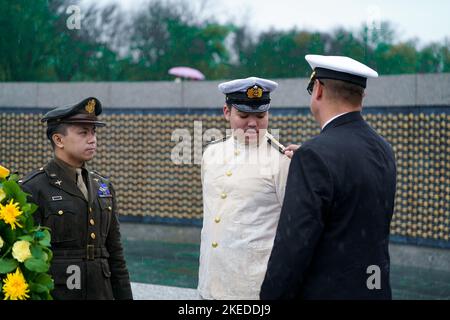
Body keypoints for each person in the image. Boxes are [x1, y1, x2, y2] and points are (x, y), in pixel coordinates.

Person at [260, 55, 397, 300]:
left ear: (319, 89)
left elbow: (293, 246)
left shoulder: (315, 156)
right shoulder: (383, 148)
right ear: (361, 97)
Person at [20, 97, 133, 300]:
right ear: (59, 140)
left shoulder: (103, 186)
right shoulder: (33, 187)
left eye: (93, 132)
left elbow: (116, 255)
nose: (92, 139)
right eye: (83, 133)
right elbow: (25, 259)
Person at [198, 77, 297, 299]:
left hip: (252, 289)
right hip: (210, 283)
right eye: (243, 116)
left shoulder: (281, 160)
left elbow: (293, 229)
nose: (253, 123)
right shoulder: (211, 153)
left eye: (260, 116)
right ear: (226, 112)